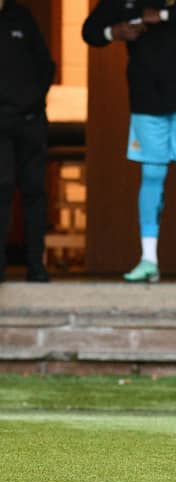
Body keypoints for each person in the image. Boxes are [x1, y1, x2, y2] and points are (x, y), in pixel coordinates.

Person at [82, 0, 176, 283]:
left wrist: (162, 14)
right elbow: (91, 32)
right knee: (151, 175)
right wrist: (116, 31)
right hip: (146, 99)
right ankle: (148, 260)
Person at [0, 0, 55, 282]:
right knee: (2, 189)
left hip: (30, 121)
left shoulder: (21, 17)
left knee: (34, 191)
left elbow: (46, 65)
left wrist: (32, 102)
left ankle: (36, 265)